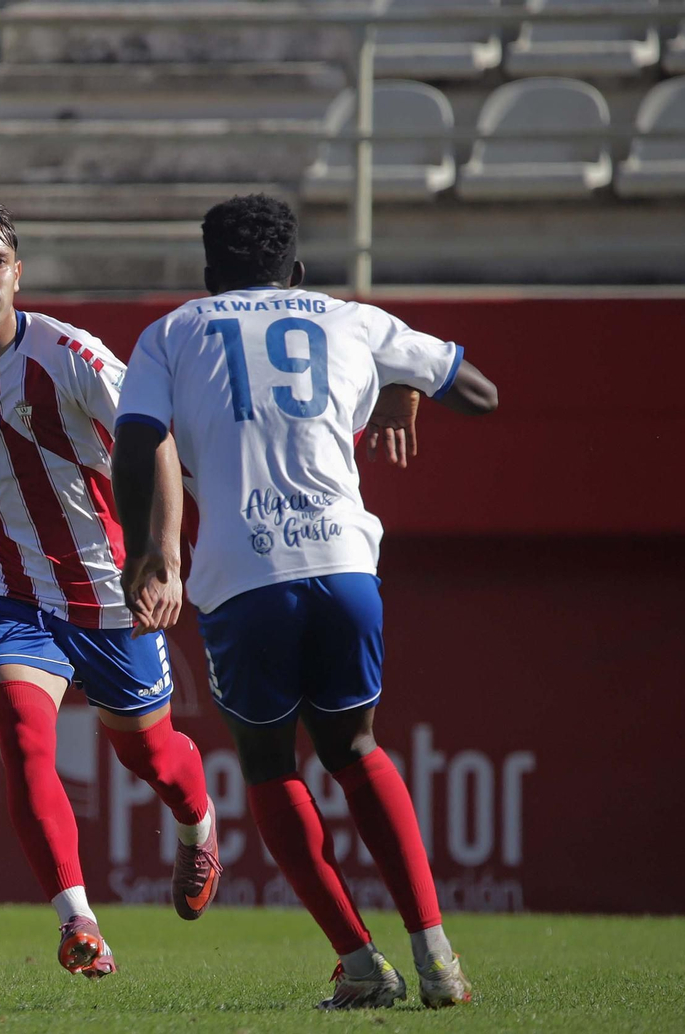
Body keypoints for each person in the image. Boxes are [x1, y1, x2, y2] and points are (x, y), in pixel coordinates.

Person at [110, 194, 498, 1010]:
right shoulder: (350, 318)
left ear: (210, 275)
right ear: (298, 271)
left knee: (268, 765)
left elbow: (138, 439)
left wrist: (149, 554)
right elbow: (481, 391)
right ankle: (437, 958)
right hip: (345, 562)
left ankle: (361, 967)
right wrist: (406, 386)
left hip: (242, 575)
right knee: (355, 749)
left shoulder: (174, 332)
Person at [0, 196, 221, 980]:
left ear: (18, 274)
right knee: (25, 742)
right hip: (6, 591)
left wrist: (164, 559)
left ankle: (198, 828)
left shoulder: (74, 357)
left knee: (155, 759)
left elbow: (155, 441)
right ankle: (79, 924)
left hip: (108, 593)